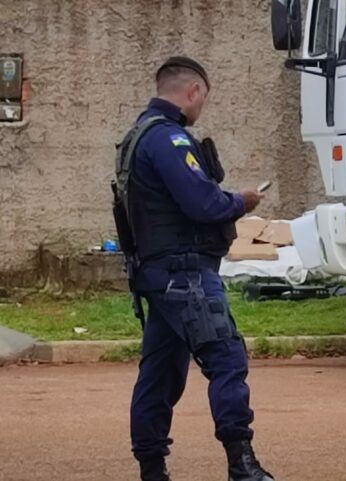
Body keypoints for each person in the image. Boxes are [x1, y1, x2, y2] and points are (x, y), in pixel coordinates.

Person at [112, 56, 276, 481]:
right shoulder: (169, 139)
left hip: (158, 274)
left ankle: (152, 469)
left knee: (160, 373)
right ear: (193, 91)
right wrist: (241, 201)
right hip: (184, 273)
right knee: (226, 359)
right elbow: (203, 203)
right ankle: (242, 465)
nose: (202, 106)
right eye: (203, 98)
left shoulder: (137, 137)